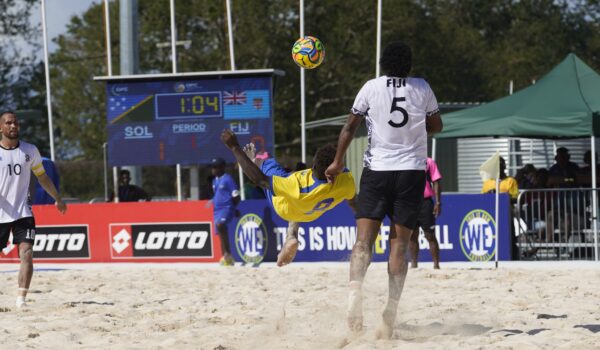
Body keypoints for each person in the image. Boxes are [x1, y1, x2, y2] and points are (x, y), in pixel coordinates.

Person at [325, 41, 443, 338]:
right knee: (399, 244)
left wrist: (338, 161)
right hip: (411, 173)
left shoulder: (370, 87)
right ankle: (390, 308)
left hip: (377, 171)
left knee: (363, 241)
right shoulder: (422, 87)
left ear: (383, 64)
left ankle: (354, 293)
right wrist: (419, 127)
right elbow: (437, 125)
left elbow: (350, 127)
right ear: (409, 65)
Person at [220, 129, 356, 266]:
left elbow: (260, 180)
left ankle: (253, 161)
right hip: (311, 212)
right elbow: (354, 203)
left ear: (314, 165)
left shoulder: (295, 186)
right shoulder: (346, 183)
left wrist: (234, 147)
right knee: (294, 187)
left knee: (267, 163)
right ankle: (291, 236)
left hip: (284, 206)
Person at [0, 111, 67, 308]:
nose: (13, 126)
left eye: (16, 123)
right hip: (1, 213)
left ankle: (21, 299)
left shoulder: (30, 150)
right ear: (1, 127)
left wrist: (58, 198)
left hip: (23, 212)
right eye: (8, 123)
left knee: (27, 252)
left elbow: (42, 177)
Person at [409, 157, 442, 269]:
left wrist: (438, 202)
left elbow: (436, 181)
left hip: (425, 202)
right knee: (412, 235)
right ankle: (414, 264)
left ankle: (436, 265)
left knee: (430, 235)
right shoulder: (405, 161)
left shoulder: (428, 162)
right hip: (410, 202)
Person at [208, 157, 240, 266]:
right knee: (220, 232)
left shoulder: (228, 179)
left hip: (226, 208)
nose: (213, 169)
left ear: (222, 167)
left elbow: (236, 196)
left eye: (215, 167)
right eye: (212, 167)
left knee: (221, 225)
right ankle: (226, 258)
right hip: (217, 210)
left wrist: (233, 209)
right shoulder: (214, 181)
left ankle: (227, 254)